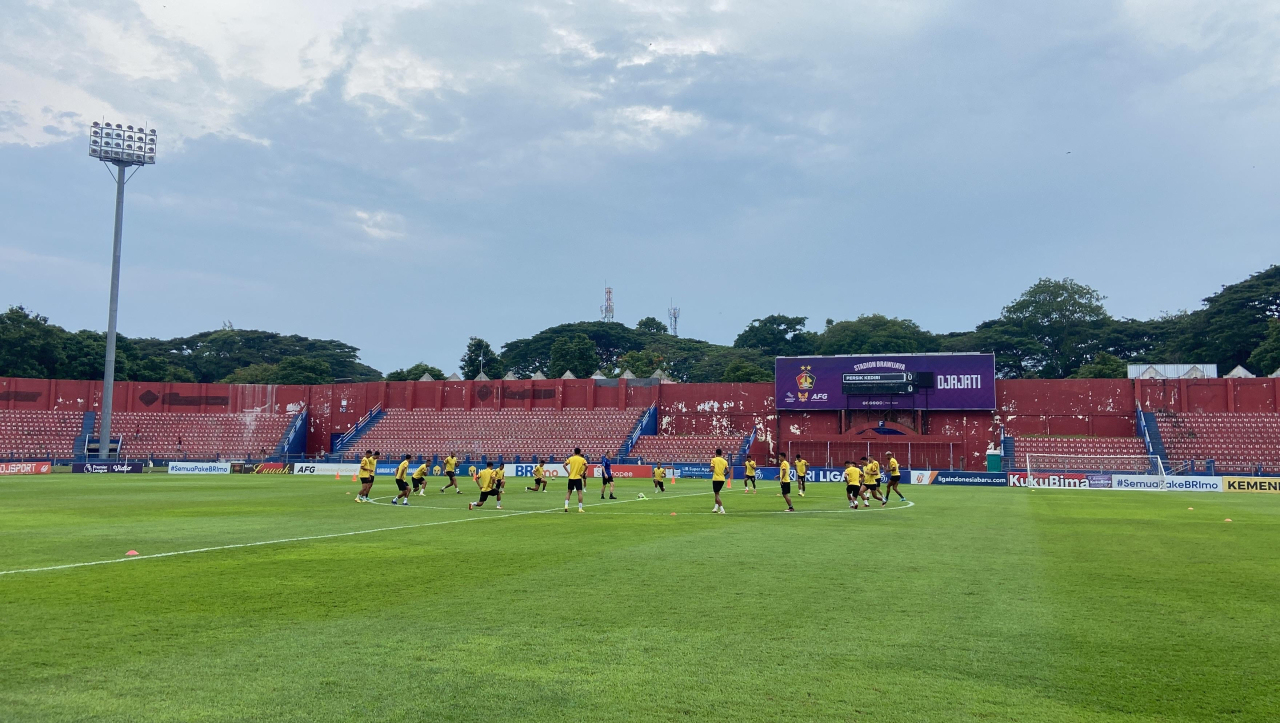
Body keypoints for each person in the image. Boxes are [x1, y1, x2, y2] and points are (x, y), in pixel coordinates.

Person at [563, 447, 588, 512]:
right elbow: (587, 466)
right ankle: (580, 508)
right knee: (579, 492)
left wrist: (568, 473)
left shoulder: (571, 458)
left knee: (569, 492)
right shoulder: (582, 459)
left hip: (571, 477)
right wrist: (582, 473)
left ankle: (566, 506)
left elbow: (564, 465)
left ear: (574, 452)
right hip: (578, 477)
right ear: (580, 452)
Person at [710, 448, 729, 514]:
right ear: (721, 453)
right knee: (717, 493)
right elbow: (728, 471)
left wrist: (710, 470)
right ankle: (715, 508)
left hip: (716, 479)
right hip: (722, 479)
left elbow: (712, 469)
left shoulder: (714, 460)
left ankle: (722, 509)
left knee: (716, 494)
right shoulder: (724, 461)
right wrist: (724, 475)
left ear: (716, 453)